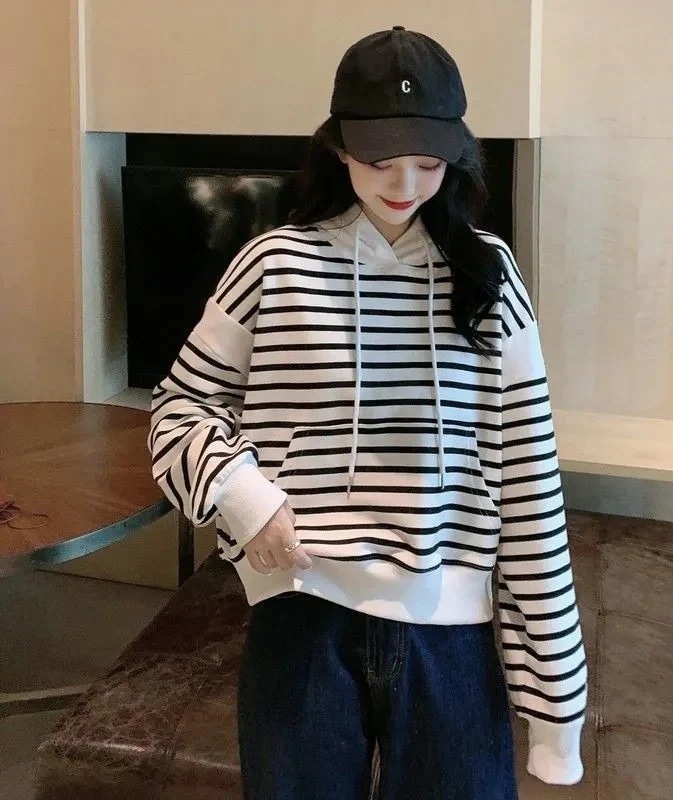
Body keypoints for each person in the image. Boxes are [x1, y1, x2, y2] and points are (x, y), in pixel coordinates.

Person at [149, 25, 587, 800]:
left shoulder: (488, 275)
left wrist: (557, 708)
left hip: (450, 635)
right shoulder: (272, 265)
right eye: (381, 160)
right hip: (301, 613)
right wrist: (246, 498)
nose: (405, 183)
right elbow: (178, 407)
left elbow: (529, 483)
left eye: (428, 161)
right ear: (339, 147)